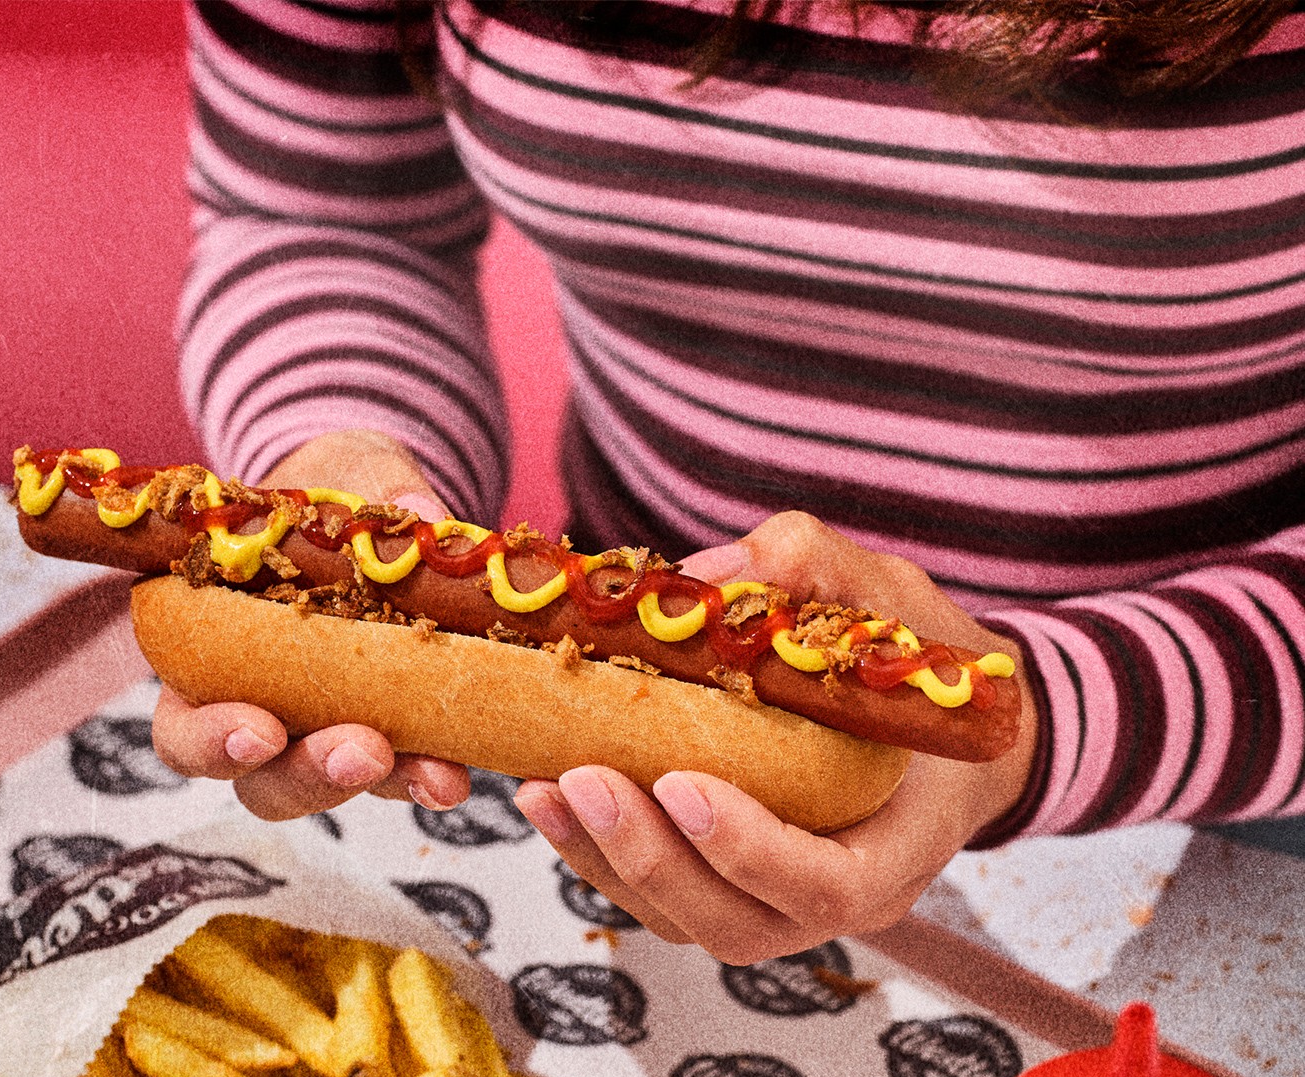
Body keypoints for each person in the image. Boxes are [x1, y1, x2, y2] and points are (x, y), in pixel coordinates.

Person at [153, 0, 1305, 963]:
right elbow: (318, 213)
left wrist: (1037, 726)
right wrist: (351, 467)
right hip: (626, 785)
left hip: (1234, 785)